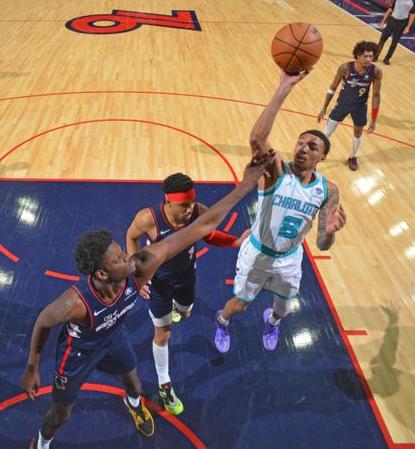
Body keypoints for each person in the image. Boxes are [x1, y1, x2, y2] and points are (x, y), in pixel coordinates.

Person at [20, 153, 275, 449]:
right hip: (78, 352)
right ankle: (41, 442)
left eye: (123, 251)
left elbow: (203, 226)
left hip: (114, 338)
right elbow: (42, 322)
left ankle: (133, 403)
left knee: (135, 384)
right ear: (102, 273)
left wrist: (246, 184)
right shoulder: (74, 303)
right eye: (119, 258)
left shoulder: (140, 268)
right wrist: (32, 367)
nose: (128, 256)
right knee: (62, 414)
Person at [213, 71, 346, 354]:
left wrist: (331, 234)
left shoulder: (328, 190)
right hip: (258, 254)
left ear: (322, 157)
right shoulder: (275, 173)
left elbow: (322, 243)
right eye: (300, 142)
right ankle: (221, 322)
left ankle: (272, 322)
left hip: (290, 259)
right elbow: (256, 138)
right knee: (240, 304)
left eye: (313, 147)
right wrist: (283, 88)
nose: (303, 149)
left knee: (284, 308)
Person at [125, 173, 248, 415]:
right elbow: (131, 237)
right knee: (163, 334)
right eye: (184, 204)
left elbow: (209, 234)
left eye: (192, 202)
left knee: (186, 312)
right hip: (160, 284)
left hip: (186, 278)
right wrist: (136, 273)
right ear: (168, 202)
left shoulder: (198, 211)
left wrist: (234, 242)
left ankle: (177, 309)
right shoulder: (148, 218)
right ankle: (164, 384)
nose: (190, 208)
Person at [317, 41, 383, 171]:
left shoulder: (376, 71)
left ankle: (353, 156)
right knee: (327, 132)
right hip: (342, 104)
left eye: (371, 56)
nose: (368, 59)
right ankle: (317, 156)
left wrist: (374, 120)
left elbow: (376, 96)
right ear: (358, 56)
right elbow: (332, 88)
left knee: (358, 133)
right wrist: (324, 108)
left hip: (360, 107)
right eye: (365, 56)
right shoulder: (345, 68)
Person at [377, 0, 415, 65]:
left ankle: (387, 58)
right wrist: (383, 21)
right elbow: (390, 10)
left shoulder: (414, 2)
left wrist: (408, 27)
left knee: (394, 42)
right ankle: (375, 55)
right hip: (392, 21)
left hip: (402, 23)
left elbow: (412, 15)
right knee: (382, 40)